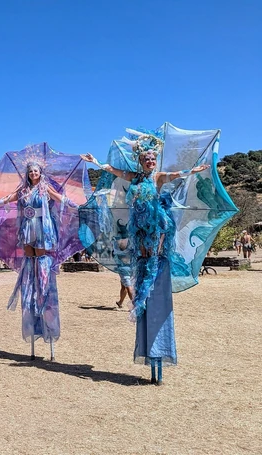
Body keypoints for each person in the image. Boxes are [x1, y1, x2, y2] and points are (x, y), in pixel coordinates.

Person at [83, 133, 209, 385]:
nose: (151, 161)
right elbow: (115, 171)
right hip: (138, 230)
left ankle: (148, 289)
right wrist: (96, 162)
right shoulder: (135, 177)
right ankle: (141, 297)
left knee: (152, 263)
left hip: (156, 227)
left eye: (153, 158)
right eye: (146, 158)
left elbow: (176, 175)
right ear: (140, 160)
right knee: (141, 264)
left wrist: (193, 170)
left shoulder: (158, 177)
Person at [0, 159, 78, 361]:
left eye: (36, 170)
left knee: (43, 272)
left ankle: (47, 316)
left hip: (43, 232)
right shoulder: (23, 191)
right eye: (31, 171)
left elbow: (60, 198)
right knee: (30, 271)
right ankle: (32, 308)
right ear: (27, 174)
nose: (33, 173)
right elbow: (8, 199)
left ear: (40, 172)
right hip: (27, 233)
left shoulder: (45, 188)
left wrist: (77, 207)